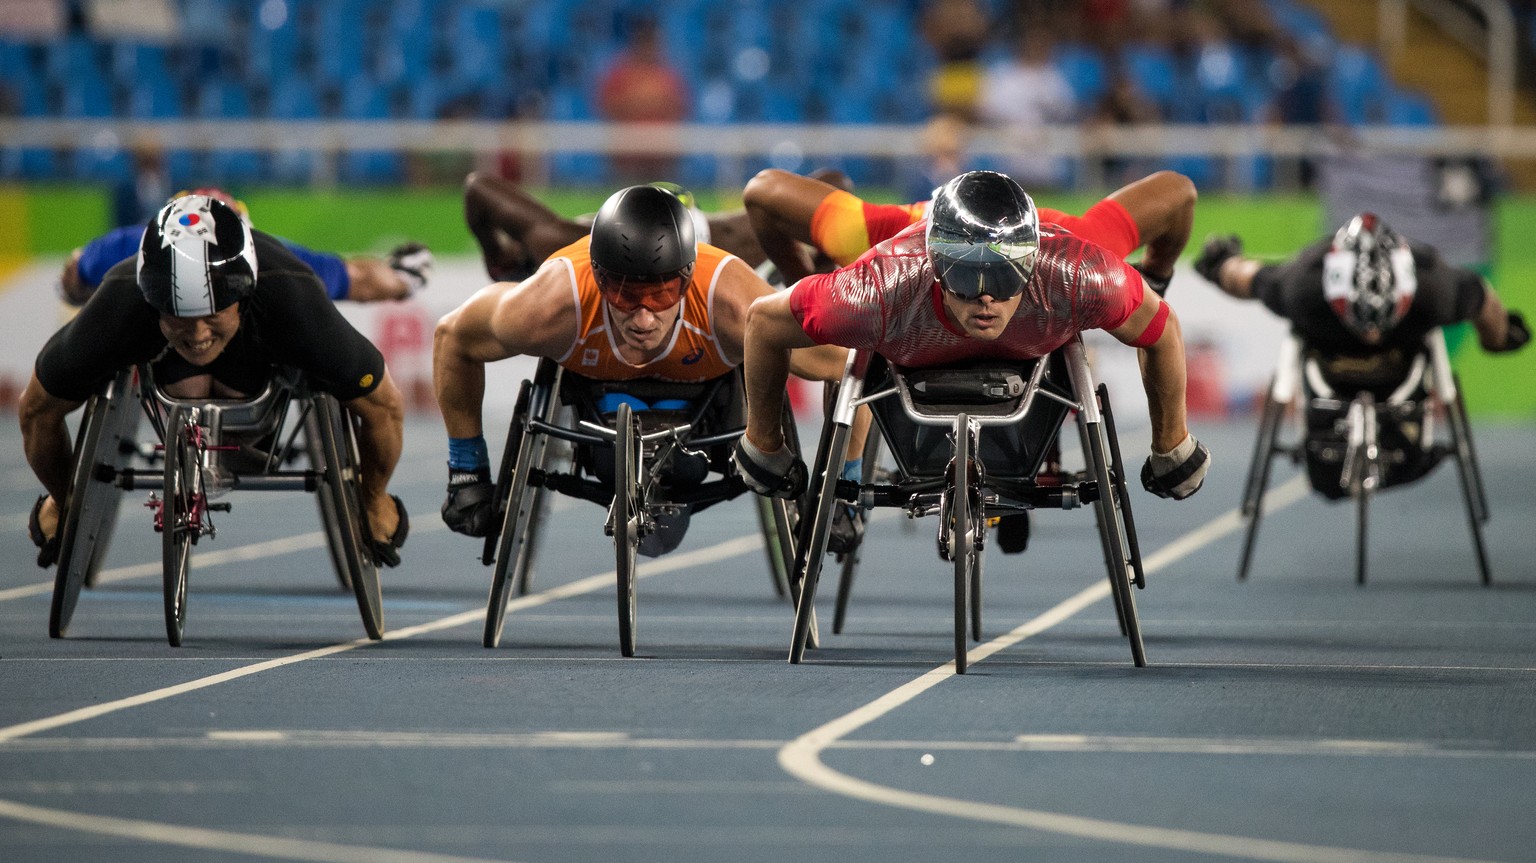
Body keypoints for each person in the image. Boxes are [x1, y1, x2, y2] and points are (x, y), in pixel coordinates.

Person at [733, 170, 1210, 515]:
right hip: (905, 230)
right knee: (763, 194)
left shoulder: (1081, 270)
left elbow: (1179, 201)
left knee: (1176, 196)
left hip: (1045, 230)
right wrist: (763, 442)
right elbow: (764, 319)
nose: (986, 298)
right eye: (966, 276)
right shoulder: (872, 286)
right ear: (937, 266)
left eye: (1004, 278)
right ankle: (852, 461)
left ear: (1031, 262)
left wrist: (1171, 442)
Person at [434, 184, 845, 556]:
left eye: (662, 294)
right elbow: (453, 336)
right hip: (597, 403)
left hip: (707, 407)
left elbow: (848, 365)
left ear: (687, 280)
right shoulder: (552, 304)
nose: (644, 319)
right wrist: (466, 472)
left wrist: (847, 484)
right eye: (624, 295)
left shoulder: (734, 304)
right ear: (598, 278)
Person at [21, 195, 409, 569]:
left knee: (369, 399)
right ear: (153, 297)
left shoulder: (291, 291)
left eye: (212, 314)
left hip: (258, 369)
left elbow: (385, 407)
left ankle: (369, 502)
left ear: (243, 292)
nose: (198, 332)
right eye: (180, 315)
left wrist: (372, 496)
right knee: (49, 404)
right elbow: (37, 410)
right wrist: (63, 495)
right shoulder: (124, 296)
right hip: (167, 368)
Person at [742, 167, 1196, 295]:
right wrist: (1156, 275)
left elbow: (762, 190)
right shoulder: (1077, 243)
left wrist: (800, 279)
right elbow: (1179, 192)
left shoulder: (876, 233)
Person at [461, 170, 855, 285]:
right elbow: (835, 184)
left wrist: (499, 259)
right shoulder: (739, 245)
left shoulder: (569, 242)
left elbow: (478, 188)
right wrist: (812, 270)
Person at [59, 188, 433, 307]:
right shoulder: (272, 254)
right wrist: (404, 278)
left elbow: (74, 276)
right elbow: (359, 278)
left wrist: (89, 296)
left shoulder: (128, 244)